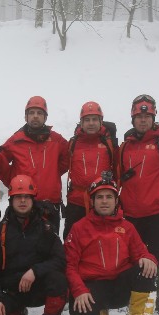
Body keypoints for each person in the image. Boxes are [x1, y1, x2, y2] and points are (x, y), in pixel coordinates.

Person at [64, 173, 158, 315]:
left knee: (147, 269)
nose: (104, 201)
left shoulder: (127, 227)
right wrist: (79, 291)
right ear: (92, 202)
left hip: (119, 286)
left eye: (109, 197)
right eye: (99, 197)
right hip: (92, 288)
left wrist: (149, 259)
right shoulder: (79, 228)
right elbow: (69, 265)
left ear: (116, 201)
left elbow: (141, 253)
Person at [116, 94, 159, 315]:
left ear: (154, 117)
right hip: (129, 214)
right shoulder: (125, 146)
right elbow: (117, 177)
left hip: (156, 213)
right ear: (132, 118)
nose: (143, 120)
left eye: (147, 116)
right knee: (130, 259)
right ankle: (130, 298)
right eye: (139, 116)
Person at [0, 175, 67, 315]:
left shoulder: (46, 228)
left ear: (33, 200)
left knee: (58, 280)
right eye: (18, 197)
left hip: (38, 287)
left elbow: (59, 260)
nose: (22, 201)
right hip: (11, 290)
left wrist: (35, 271)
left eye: (27, 197)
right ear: (11, 200)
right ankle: (15, 311)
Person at [2, 96, 69, 233]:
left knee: (50, 247)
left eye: (39, 113)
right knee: (23, 247)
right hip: (23, 202)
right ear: (26, 117)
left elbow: (67, 159)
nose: (35, 116)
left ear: (45, 117)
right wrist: (13, 181)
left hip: (50, 204)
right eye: (31, 113)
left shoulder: (57, 140)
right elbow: (1, 162)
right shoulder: (16, 140)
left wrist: (53, 173)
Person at [63, 101, 118, 240]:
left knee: (101, 241)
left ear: (101, 121)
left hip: (101, 201)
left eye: (95, 119)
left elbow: (118, 168)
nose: (91, 123)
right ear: (81, 123)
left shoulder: (109, 143)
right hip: (76, 201)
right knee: (72, 239)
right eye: (87, 120)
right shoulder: (73, 143)